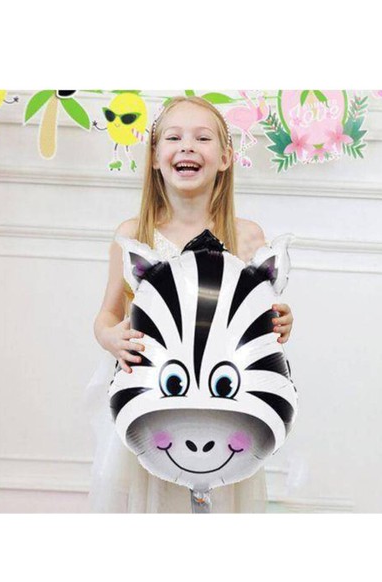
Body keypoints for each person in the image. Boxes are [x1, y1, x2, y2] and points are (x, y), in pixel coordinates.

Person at [87, 95, 294, 513]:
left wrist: (282, 321)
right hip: (153, 397)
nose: (187, 146)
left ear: (225, 157)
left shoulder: (248, 237)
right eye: (174, 138)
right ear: (154, 156)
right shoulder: (133, 235)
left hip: (225, 405)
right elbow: (108, 313)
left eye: (202, 138)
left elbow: (261, 320)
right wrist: (111, 336)